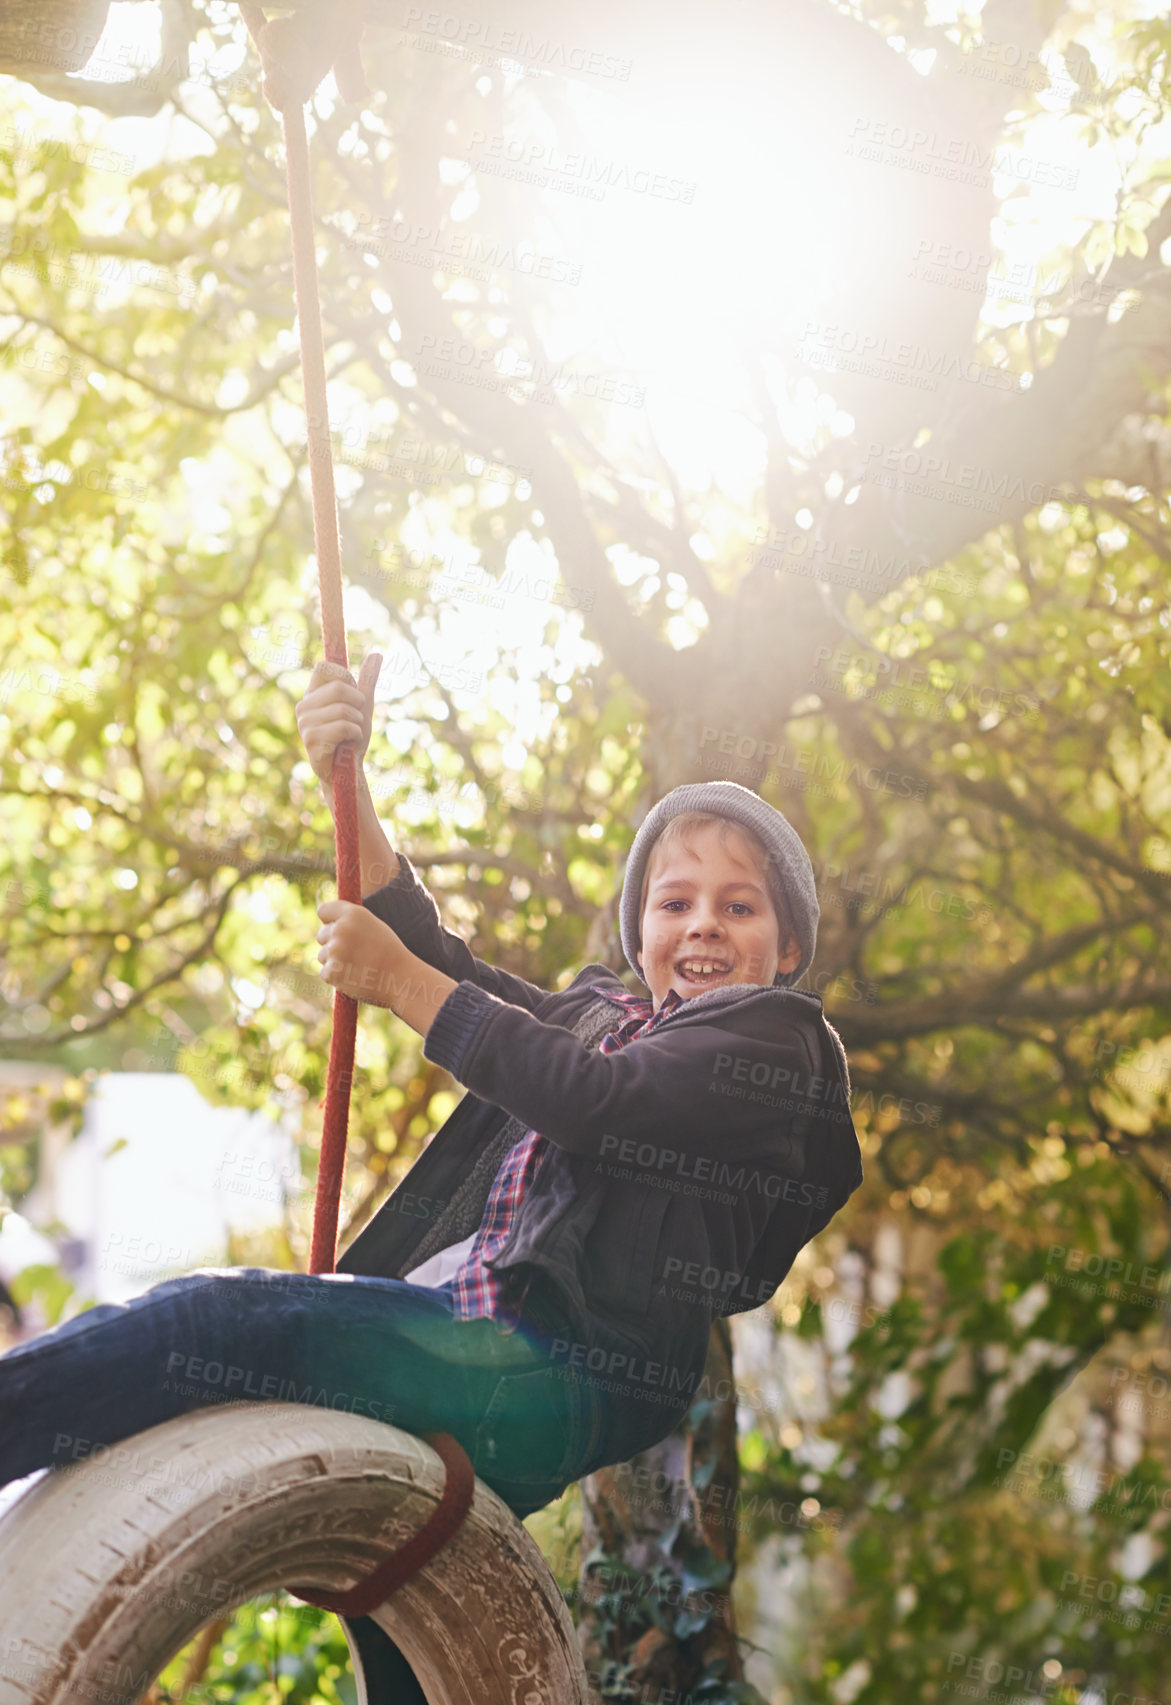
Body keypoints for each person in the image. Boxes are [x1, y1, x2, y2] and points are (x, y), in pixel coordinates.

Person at [0, 653, 863, 1685]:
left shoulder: (772, 1046)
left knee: (210, 1325)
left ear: (790, 945)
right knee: (393, 1585)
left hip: (551, 1370)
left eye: (739, 907)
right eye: (675, 903)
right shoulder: (603, 1019)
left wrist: (395, 984)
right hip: (469, 1346)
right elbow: (438, 956)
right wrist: (346, 773)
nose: (703, 928)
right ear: (638, 931)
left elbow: (591, 1101)